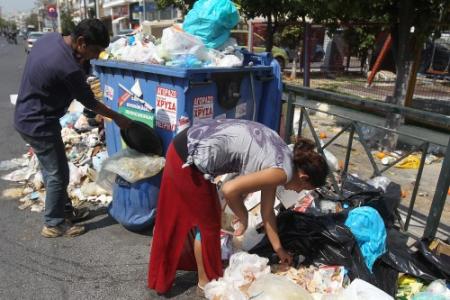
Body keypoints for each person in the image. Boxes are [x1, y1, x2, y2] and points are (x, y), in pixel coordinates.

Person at [148, 118, 329, 294]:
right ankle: (206, 285)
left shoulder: (283, 158)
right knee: (208, 227)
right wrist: (243, 215)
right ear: (304, 177)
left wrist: (279, 249)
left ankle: (165, 277)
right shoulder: (282, 173)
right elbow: (229, 189)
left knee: (182, 219)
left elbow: (267, 212)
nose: (298, 192)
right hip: (188, 157)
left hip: (187, 144)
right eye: (304, 188)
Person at [14, 19, 131, 238]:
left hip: (27, 115)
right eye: (95, 50)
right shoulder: (66, 67)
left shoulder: (50, 39)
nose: (96, 56)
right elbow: (89, 101)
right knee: (58, 173)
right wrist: (117, 117)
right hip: (38, 123)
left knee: (52, 170)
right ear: (81, 42)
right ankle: (54, 223)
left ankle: (64, 211)